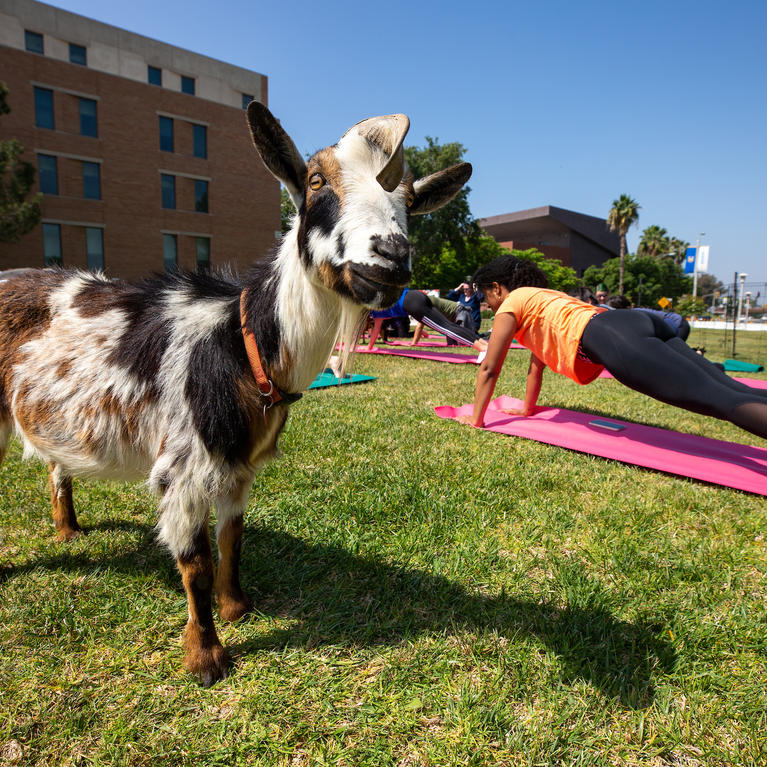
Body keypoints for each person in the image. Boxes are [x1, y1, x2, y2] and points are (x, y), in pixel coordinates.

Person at [455, 255, 767, 439]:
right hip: (635, 322)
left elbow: (489, 367)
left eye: (486, 297)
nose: (487, 305)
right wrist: (527, 409)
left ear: (496, 288)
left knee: (717, 401)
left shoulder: (512, 303)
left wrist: (477, 419)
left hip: (615, 339)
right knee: (731, 388)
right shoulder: (542, 299)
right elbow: (536, 366)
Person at [367, 288, 487, 352]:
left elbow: (376, 329)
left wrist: (369, 348)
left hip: (412, 304)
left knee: (445, 328)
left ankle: (481, 348)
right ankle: (483, 343)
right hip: (415, 295)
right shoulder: (383, 294)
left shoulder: (376, 307)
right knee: (448, 325)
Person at [606, 295, 691, 341]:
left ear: (627, 308)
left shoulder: (636, 313)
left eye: (617, 310)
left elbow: (666, 322)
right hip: (669, 326)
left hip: (678, 324)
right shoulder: (627, 317)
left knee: (675, 352)